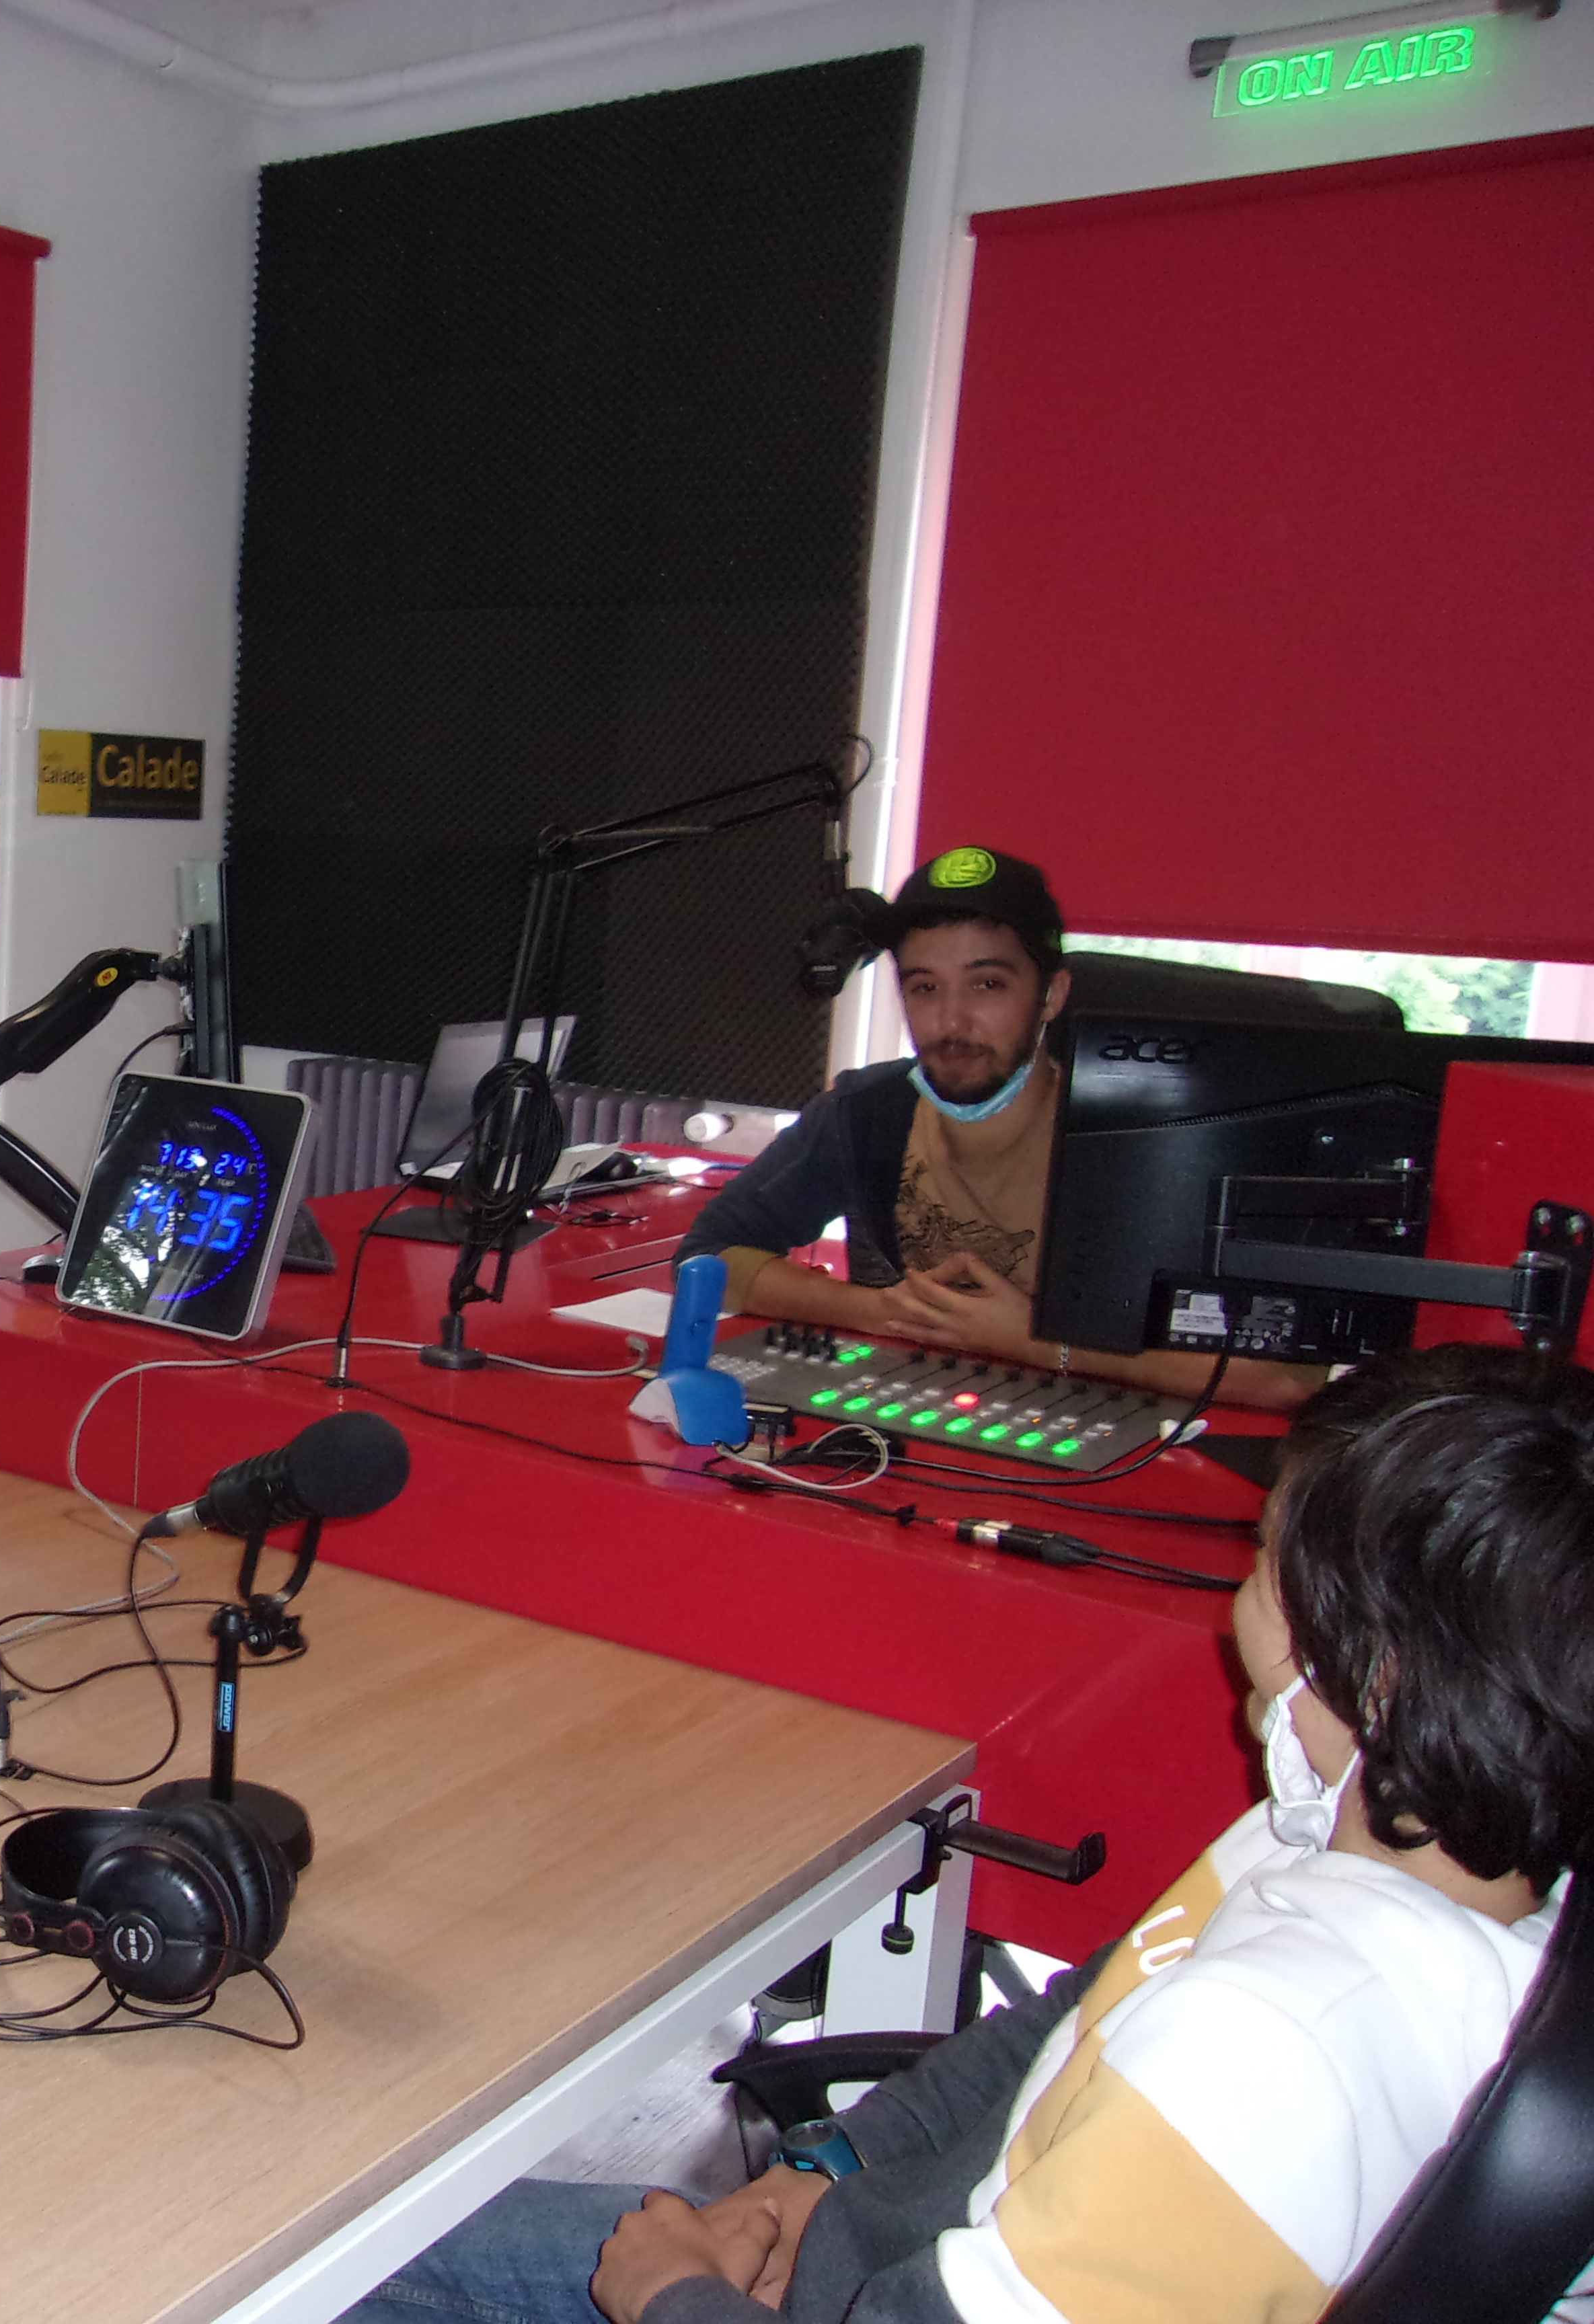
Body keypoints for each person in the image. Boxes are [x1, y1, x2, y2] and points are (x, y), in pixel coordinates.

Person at [342, 1340, 1593, 2324]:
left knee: (313, 2274)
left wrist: (670, 2295)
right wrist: (817, 2177)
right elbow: (1064, 2030)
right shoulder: (1349, 1845)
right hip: (874, 2246)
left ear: (1373, 1673)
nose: (1239, 1599)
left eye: (1267, 1561)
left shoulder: (1266, 2053)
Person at [678, 845, 1310, 1409]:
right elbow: (707, 1256)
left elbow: (1285, 1377)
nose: (952, 1022)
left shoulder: (1152, 1134)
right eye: (925, 987)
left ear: (1052, 995)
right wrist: (882, 1311)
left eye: (987, 984)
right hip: (908, 1429)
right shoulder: (866, 1112)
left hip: (1120, 1450)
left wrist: (1037, 1342)